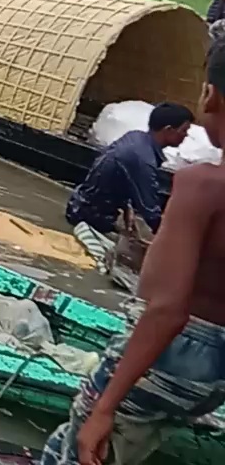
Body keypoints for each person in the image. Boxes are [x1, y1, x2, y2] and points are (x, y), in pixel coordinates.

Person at [38, 41, 225, 465]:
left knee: (83, 446)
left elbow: (167, 311)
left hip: (175, 352)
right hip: (213, 378)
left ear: (211, 95)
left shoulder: (202, 184)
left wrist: (104, 406)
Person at [66, 103, 193, 268]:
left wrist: (128, 209)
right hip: (91, 218)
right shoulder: (143, 160)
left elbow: (114, 173)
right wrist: (173, 247)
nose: (186, 136)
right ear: (168, 129)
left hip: (79, 203)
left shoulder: (136, 137)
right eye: (184, 131)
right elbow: (151, 212)